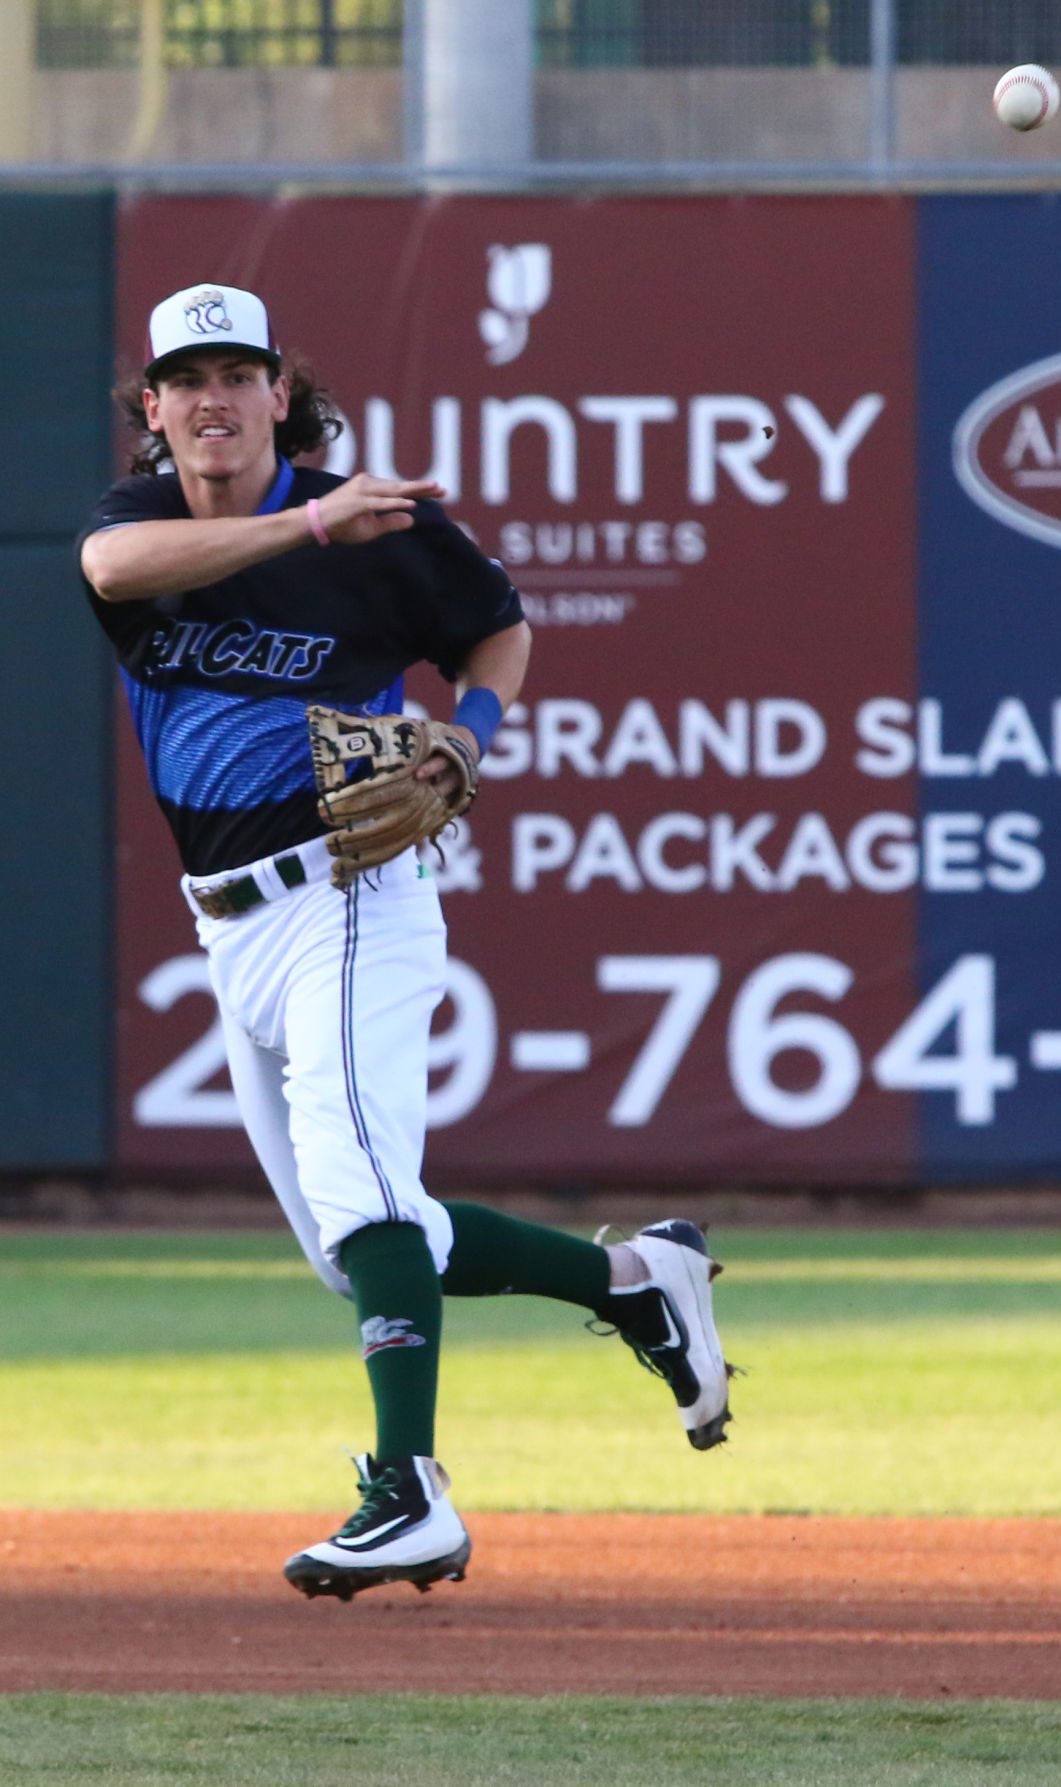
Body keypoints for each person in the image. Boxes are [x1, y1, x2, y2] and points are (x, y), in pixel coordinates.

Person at [79, 282, 733, 1602]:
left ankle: (408, 1493)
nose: (213, 399)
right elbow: (109, 574)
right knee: (353, 1245)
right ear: (153, 410)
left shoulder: (386, 533)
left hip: (355, 887)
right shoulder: (148, 527)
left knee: (369, 1197)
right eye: (186, 379)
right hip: (234, 927)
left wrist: (472, 734)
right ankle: (634, 1282)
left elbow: (498, 629)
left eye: (237, 374)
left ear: (279, 392)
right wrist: (307, 521)